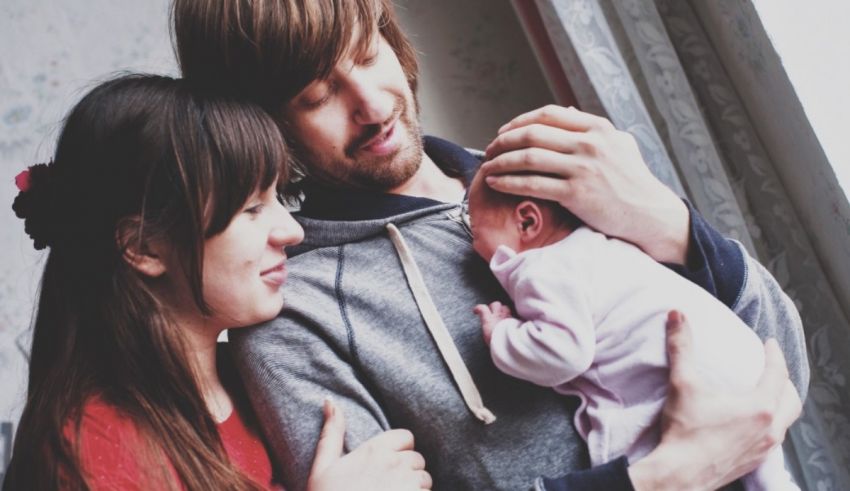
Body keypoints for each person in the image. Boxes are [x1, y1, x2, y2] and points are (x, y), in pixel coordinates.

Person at [171, 0, 808, 489]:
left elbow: (783, 377)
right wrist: (662, 479)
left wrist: (669, 224)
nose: (370, 106)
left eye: (366, 53)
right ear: (265, 128)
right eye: (316, 96)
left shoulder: (557, 173)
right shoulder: (294, 315)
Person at [3, 74, 431, 490]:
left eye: (279, 197)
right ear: (144, 247)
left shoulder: (262, 381)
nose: (292, 231)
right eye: (251, 208)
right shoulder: (89, 449)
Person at [467, 172, 800, 490]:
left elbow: (562, 353)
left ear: (527, 222)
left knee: (640, 449)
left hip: (696, 380)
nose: (473, 245)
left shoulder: (543, 268)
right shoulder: (606, 247)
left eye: (477, 232)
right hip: (747, 364)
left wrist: (503, 333)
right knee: (770, 479)